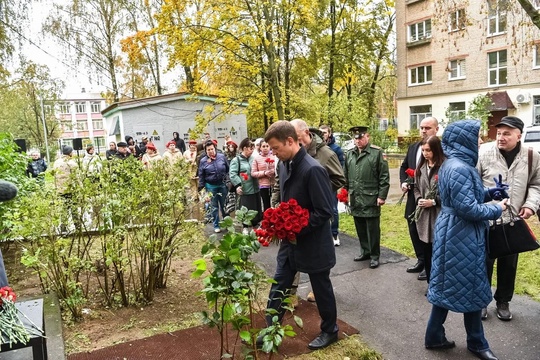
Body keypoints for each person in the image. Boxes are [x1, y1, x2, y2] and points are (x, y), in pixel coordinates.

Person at [425, 120, 508, 360]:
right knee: (471, 286)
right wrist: (497, 208)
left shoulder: (453, 164)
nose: (481, 141)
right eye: (478, 137)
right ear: (465, 140)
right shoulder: (460, 167)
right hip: (462, 234)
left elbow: (463, 198)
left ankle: (434, 336)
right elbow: (468, 209)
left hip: (452, 232)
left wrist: (490, 193)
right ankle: (477, 343)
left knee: (447, 285)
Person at [260, 120, 338, 350]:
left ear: (291, 141)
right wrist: (280, 220)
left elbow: (324, 211)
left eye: (276, 148)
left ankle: (330, 330)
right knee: (279, 284)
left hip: (313, 242)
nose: (273, 153)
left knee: (321, 288)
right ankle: (270, 329)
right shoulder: (284, 164)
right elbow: (286, 200)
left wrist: (295, 227)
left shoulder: (313, 169)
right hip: (290, 242)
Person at [477, 116, 540, 321]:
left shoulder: (532, 156)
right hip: (487, 219)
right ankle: (481, 302)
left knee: (509, 263)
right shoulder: (484, 152)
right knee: (484, 262)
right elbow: (474, 184)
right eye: (499, 133)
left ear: (519, 135)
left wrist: (530, 205)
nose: (500, 137)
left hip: (513, 220)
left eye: (506, 133)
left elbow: (536, 184)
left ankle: (503, 301)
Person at [344, 126, 389, 269]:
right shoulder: (350, 154)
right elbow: (345, 175)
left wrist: (382, 196)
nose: (358, 141)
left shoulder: (376, 153)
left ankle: (375, 255)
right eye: (355, 138)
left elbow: (384, 176)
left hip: (370, 196)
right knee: (360, 226)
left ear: (367, 137)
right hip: (355, 196)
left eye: (361, 138)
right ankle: (365, 251)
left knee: (372, 228)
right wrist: (345, 193)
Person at [400, 117, 439, 280]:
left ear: (436, 129)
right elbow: (404, 167)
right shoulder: (414, 147)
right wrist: (404, 182)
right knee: (413, 228)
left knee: (431, 233)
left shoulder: (440, 150)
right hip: (415, 196)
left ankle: (430, 265)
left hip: (434, 201)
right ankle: (421, 260)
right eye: (421, 128)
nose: (423, 130)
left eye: (427, 128)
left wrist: (434, 199)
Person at [412, 136, 445, 285]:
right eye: (423, 150)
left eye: (428, 150)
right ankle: (430, 282)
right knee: (427, 249)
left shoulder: (444, 167)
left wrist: (434, 201)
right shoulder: (421, 167)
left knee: (439, 251)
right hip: (424, 217)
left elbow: (449, 193)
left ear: (436, 150)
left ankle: (439, 282)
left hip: (439, 214)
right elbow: (416, 187)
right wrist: (419, 198)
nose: (425, 153)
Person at [319, 124, 345, 246]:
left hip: (330, 184)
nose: (323, 134)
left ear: (329, 134)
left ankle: (334, 234)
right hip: (318, 184)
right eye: (321, 132)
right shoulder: (316, 148)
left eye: (325, 132)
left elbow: (341, 167)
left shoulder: (336, 149)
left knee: (333, 210)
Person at [229, 138, 262, 233]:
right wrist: (238, 185)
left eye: (253, 149)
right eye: (250, 148)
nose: (252, 151)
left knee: (256, 208)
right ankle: (245, 227)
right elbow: (233, 174)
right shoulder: (236, 160)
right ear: (244, 148)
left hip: (255, 188)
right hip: (245, 189)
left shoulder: (254, 159)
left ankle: (256, 227)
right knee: (245, 208)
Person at [198, 140, 229, 233]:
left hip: (222, 185)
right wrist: (202, 189)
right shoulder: (203, 161)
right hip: (211, 186)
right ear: (205, 151)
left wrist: (228, 181)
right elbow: (201, 176)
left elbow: (228, 169)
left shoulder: (222, 157)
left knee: (224, 205)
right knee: (214, 206)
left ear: (215, 148)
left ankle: (227, 223)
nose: (210, 151)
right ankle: (216, 225)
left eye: (212, 149)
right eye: (208, 150)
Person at [250, 140, 276, 212]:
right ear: (260, 148)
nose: (265, 148)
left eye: (267, 146)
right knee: (266, 204)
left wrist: (274, 171)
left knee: (275, 204)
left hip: (274, 184)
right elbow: (253, 173)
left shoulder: (274, 156)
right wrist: (264, 173)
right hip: (263, 185)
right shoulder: (257, 158)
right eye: (263, 146)